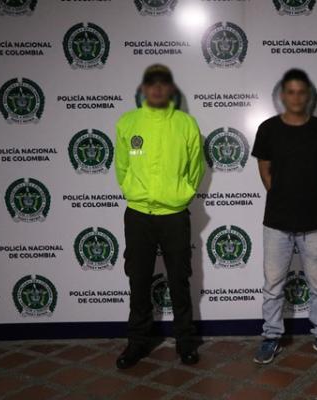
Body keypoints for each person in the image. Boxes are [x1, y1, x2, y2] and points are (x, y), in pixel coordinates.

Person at [114, 64, 204, 369]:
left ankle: (185, 343)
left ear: (170, 89)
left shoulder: (185, 124)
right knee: (138, 280)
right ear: (143, 88)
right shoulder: (128, 122)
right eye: (151, 83)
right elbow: (121, 167)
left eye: (162, 83)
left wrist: (181, 194)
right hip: (138, 215)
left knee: (179, 280)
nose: (156, 88)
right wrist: (133, 190)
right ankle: (137, 343)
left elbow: (196, 168)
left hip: (173, 216)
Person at [251, 68, 317, 364]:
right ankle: (271, 337)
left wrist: (309, 195)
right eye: (290, 92)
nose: (296, 97)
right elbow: (265, 170)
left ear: (308, 95)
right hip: (277, 222)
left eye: (301, 92)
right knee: (273, 286)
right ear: (282, 95)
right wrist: (282, 194)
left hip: (314, 222)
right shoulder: (268, 129)